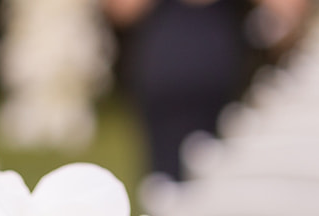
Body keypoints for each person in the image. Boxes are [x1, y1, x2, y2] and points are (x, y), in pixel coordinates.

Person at [106, 0, 309, 179]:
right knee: (165, 181)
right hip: (163, 99)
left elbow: (290, 13)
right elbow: (120, 11)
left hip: (231, 101)